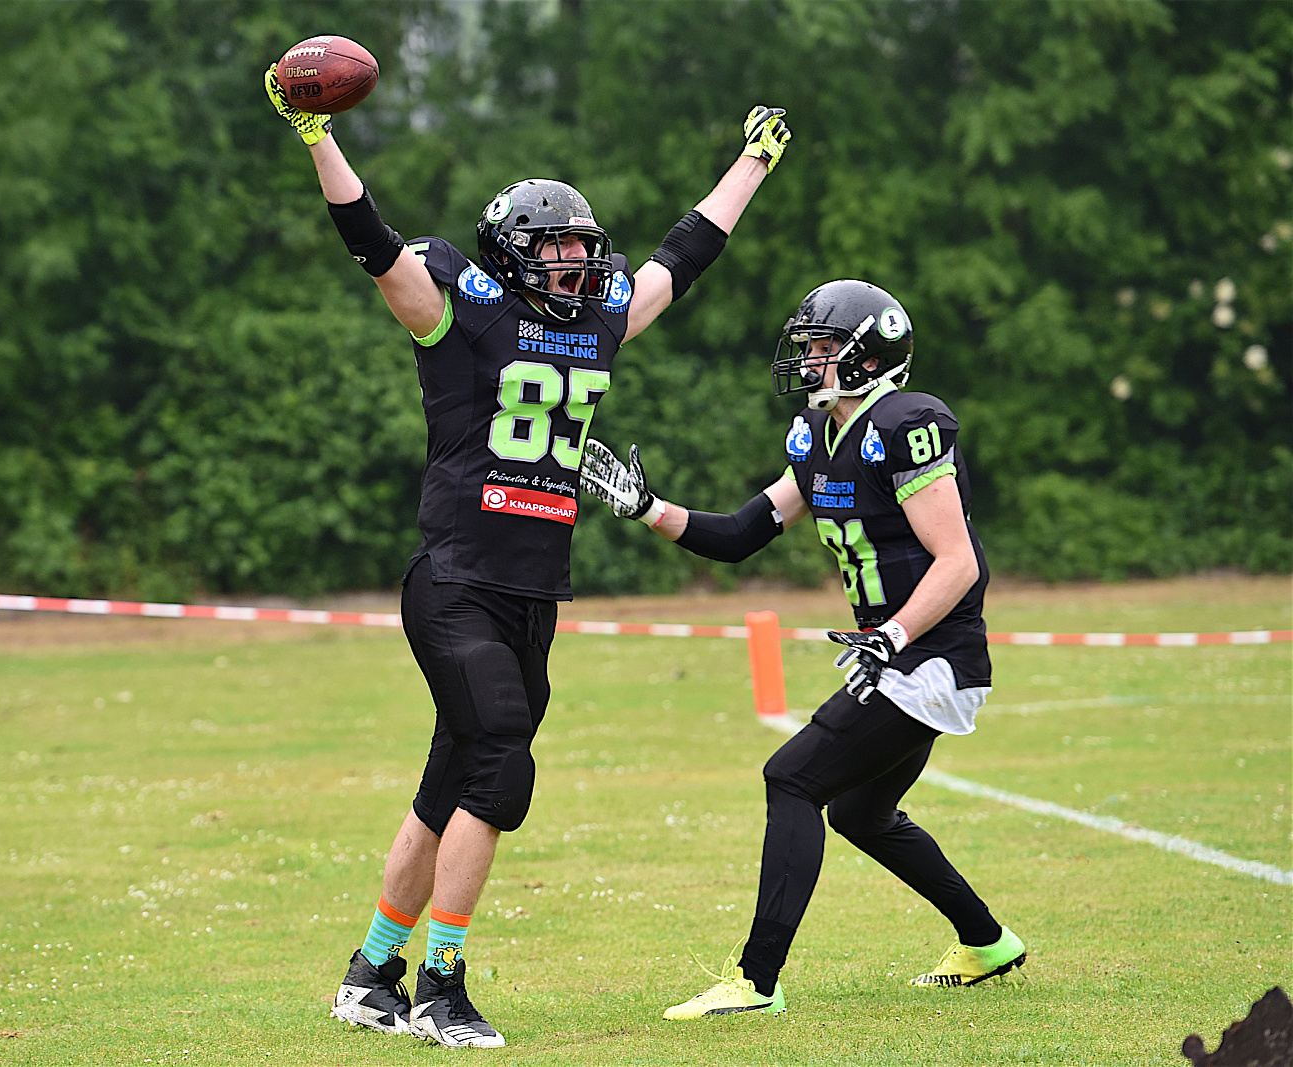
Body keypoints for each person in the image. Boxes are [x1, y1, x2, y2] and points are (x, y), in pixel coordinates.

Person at [263, 66, 790, 1047]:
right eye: (554, 249)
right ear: (509, 257)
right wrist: (316, 135)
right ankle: (440, 984)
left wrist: (751, 162)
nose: (574, 265)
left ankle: (371, 972)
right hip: (454, 580)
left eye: (582, 248)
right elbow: (372, 242)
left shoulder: (598, 323)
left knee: (451, 783)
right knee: (502, 762)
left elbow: (685, 253)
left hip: (533, 589)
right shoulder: (457, 315)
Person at [580, 279, 1026, 1019]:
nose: (809, 360)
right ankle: (987, 941)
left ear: (868, 357)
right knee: (860, 811)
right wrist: (649, 508)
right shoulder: (818, 438)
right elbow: (741, 534)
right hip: (894, 654)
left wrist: (891, 635)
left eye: (824, 347)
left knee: (790, 778)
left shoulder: (907, 424)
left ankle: (756, 980)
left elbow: (958, 563)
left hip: (929, 655)